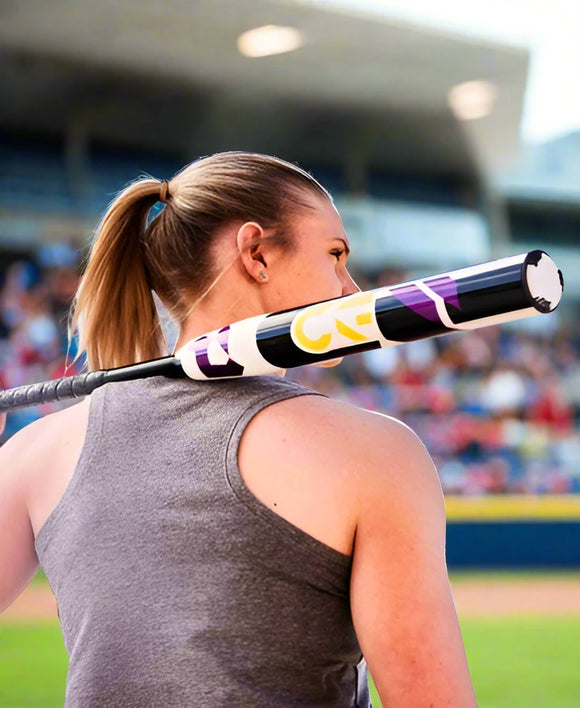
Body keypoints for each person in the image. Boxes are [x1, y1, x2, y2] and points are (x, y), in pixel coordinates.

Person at [0, 152, 476, 707]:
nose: (351, 290)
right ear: (257, 254)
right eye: (335, 256)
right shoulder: (376, 453)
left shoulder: (35, 450)